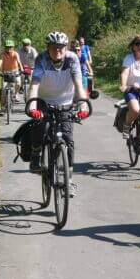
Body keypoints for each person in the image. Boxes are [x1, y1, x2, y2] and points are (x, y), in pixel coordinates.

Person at [27, 31, 90, 191]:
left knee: (68, 141)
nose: (57, 51)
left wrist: (83, 105)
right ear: (48, 47)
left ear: (66, 47)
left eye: (61, 47)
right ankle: (36, 155)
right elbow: (34, 85)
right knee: (39, 127)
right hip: (43, 100)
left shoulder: (72, 59)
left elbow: (78, 84)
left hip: (65, 103)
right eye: (54, 47)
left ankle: (68, 179)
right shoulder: (42, 59)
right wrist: (32, 106)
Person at [0, 39, 21, 114]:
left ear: (13, 47)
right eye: (7, 47)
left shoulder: (15, 54)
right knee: (3, 89)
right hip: (5, 72)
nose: (9, 49)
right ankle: (2, 108)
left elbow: (19, 62)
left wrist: (21, 70)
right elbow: (0, 61)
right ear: (5, 47)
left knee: (18, 83)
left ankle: (15, 94)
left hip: (15, 71)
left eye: (10, 47)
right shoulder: (3, 54)